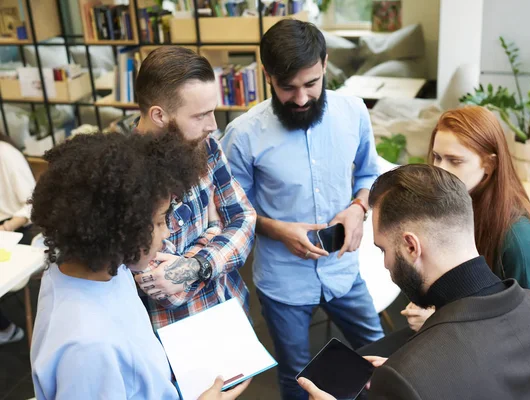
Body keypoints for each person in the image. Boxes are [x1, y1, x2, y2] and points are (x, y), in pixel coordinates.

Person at [298, 164, 530, 400]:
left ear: (411, 247)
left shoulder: (408, 378)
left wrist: (410, 377)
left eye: (383, 249)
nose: (385, 264)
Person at [221, 19, 384, 400]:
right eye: (287, 87)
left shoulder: (354, 113)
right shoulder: (243, 135)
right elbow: (233, 212)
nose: (300, 99)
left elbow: (369, 172)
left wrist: (360, 207)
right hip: (283, 283)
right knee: (296, 379)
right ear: (267, 76)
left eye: (311, 84)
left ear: (325, 64)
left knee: (383, 354)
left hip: (344, 271)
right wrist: (278, 229)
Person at [29, 131, 250, 400]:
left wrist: (213, 228)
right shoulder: (88, 350)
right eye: (159, 222)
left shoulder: (102, 269)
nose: (167, 233)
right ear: (119, 227)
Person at [131, 46, 257, 330]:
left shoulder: (205, 144)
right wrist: (215, 229)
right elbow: (164, 291)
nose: (213, 126)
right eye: (201, 115)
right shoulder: (124, 175)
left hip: (230, 305)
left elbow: (245, 219)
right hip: (179, 334)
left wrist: (196, 265)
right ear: (159, 115)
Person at [402, 105, 530, 332]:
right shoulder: (460, 205)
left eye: (455, 161)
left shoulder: (520, 244)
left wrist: (441, 318)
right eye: (437, 157)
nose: (440, 170)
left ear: (488, 165)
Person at [0, 133, 37, 345]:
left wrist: (8, 226)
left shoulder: (6, 154)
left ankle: (6, 329)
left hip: (13, 228)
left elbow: (33, 202)